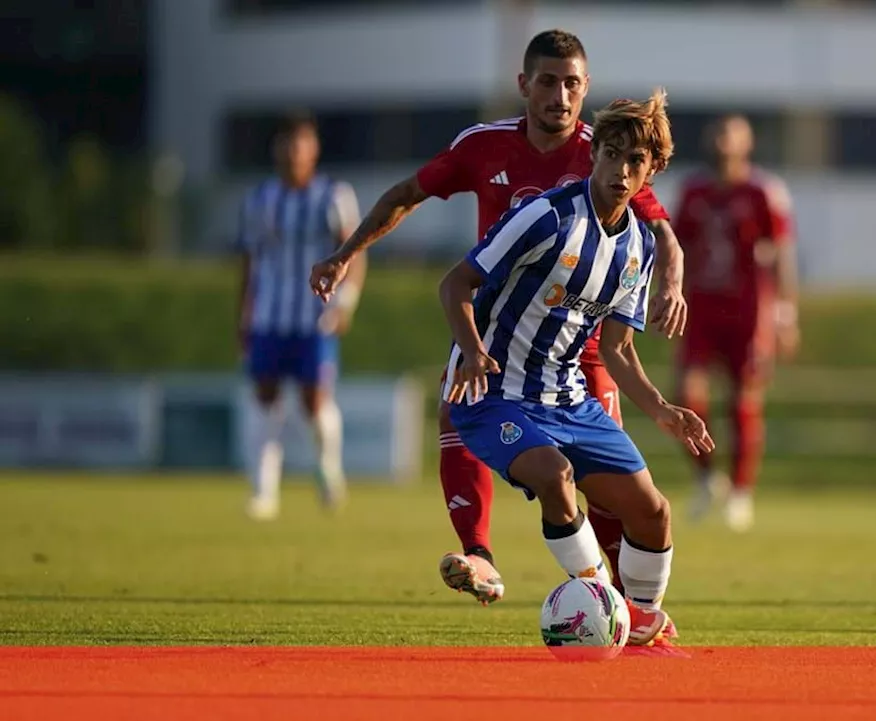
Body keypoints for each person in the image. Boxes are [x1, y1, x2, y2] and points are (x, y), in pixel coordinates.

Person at [309, 29, 687, 605]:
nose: (560, 96)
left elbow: (658, 233)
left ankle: (629, 610)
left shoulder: (611, 151)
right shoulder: (489, 148)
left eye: (572, 84)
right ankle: (483, 557)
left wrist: (672, 287)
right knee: (458, 414)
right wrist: (346, 253)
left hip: (583, 347)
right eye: (548, 82)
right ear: (524, 85)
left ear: (586, 90)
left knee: (615, 495)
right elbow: (408, 195)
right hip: (497, 331)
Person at [442, 89, 708, 652]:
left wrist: (662, 409)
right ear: (595, 155)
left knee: (653, 513)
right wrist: (469, 350)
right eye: (611, 154)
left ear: (651, 173)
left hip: (568, 398)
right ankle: (598, 600)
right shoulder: (545, 216)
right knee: (554, 474)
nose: (620, 169)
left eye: (635, 162)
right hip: (492, 393)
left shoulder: (637, 246)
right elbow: (455, 284)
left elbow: (617, 351)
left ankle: (639, 624)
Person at [670, 115, 799, 532]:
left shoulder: (764, 190)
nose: (724, 141)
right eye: (719, 132)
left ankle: (741, 493)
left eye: (733, 133)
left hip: (749, 309)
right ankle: (709, 478)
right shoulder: (693, 190)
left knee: (743, 401)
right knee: (685, 395)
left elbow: (782, 253)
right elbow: (675, 246)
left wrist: (785, 313)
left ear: (748, 142)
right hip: (702, 307)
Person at [237, 111, 365, 521]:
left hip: (315, 316)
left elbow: (354, 253)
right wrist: (243, 314)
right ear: (276, 149)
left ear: (314, 149)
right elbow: (249, 262)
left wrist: (346, 302)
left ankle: (328, 471)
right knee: (264, 396)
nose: (293, 152)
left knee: (314, 401)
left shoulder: (333, 195)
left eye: (300, 143)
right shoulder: (259, 198)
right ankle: (263, 492)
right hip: (269, 317)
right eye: (286, 144)